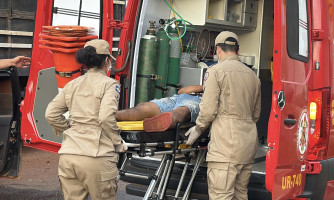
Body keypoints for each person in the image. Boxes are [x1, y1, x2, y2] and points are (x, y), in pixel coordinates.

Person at [45, 39, 127, 200]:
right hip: (96, 156)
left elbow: (51, 114)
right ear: (107, 60)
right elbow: (105, 117)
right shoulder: (110, 85)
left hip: (68, 156)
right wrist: (118, 141)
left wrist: (71, 130)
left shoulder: (72, 84)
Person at [185, 31, 261, 200]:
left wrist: (198, 129)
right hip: (247, 145)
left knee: (221, 195)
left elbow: (208, 110)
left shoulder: (215, 71)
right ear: (238, 50)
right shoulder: (253, 77)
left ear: (218, 50)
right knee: (240, 194)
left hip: (225, 146)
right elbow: (256, 114)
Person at [116, 85, 203, 132]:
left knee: (181, 110)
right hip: (178, 98)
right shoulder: (207, 85)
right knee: (144, 108)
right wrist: (205, 87)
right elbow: (181, 91)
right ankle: (112, 115)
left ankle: (159, 122)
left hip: (200, 100)